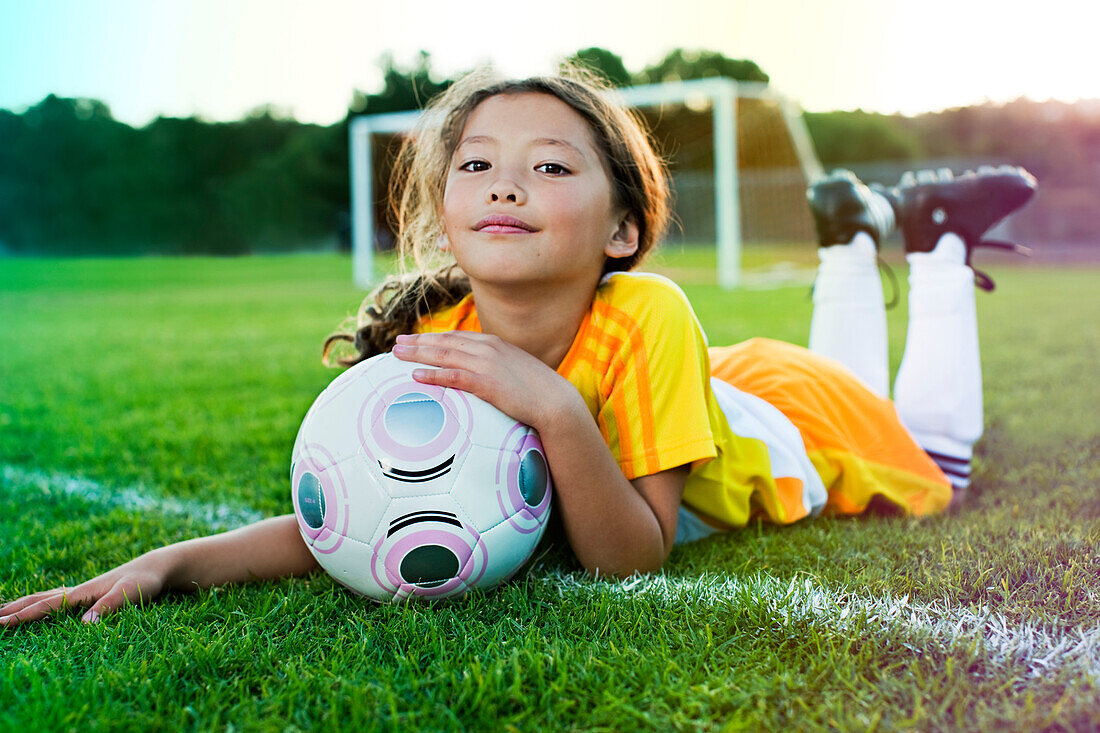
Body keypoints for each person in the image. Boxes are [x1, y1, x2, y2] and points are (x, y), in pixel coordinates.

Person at [0, 68, 1036, 626]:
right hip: (716, 396)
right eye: (480, 165)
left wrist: (549, 405)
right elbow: (356, 512)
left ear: (621, 231)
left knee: (929, 453)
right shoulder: (430, 343)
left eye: (549, 166)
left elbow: (627, 559)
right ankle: (852, 243)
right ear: (446, 213)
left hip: (794, 427)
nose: (505, 184)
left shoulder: (650, 312)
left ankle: (929, 247)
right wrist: (175, 561)